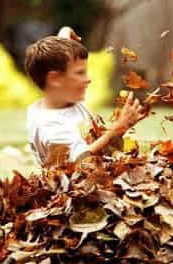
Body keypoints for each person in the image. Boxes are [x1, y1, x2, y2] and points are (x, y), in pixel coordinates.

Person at [24, 27, 143, 166]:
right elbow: (80, 160)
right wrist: (118, 128)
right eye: (80, 73)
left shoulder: (61, 98)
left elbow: (60, 54)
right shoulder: (51, 125)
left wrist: (65, 32)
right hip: (75, 184)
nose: (88, 79)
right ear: (55, 79)